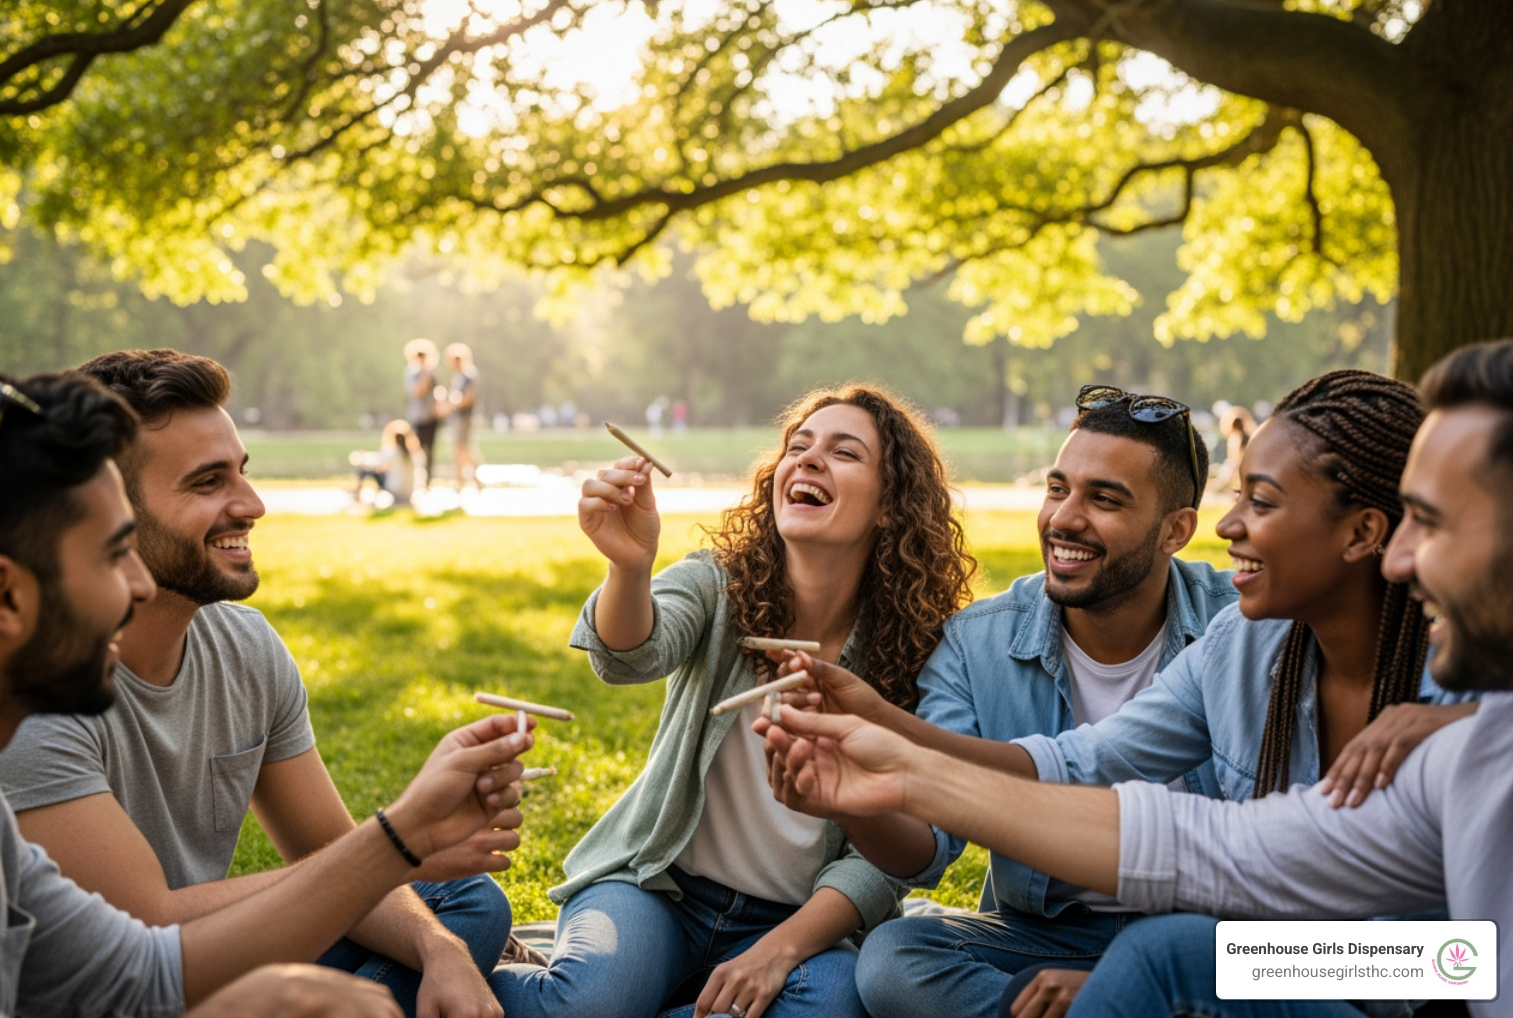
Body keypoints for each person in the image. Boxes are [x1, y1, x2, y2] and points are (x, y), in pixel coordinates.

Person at [762, 339, 1513, 1018]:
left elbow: (1442, 965)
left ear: (1361, 533)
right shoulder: (1246, 645)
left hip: (1356, 990)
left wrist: (1190, 975)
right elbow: (1095, 775)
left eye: (1264, 502)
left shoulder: (1465, 709)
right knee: (914, 957)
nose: (1231, 527)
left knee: (1172, 954)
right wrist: (897, 756)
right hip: (1220, 963)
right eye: (1058, 488)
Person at [0, 369, 533, 1017]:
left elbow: (136, 971)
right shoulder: (30, 729)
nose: (135, 586)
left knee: (465, 906)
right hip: (176, 956)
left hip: (184, 958)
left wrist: (404, 841)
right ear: (5, 596)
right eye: (112, 552)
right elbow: (148, 934)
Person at [489, 385, 977, 1018]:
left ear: (890, 504)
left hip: (800, 922)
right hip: (658, 890)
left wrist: (778, 950)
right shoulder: (718, 582)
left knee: (831, 1009)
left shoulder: (924, 654)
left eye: (844, 452)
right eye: (798, 447)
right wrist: (630, 569)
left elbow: (899, 860)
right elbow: (628, 655)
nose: (807, 459)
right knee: (588, 1003)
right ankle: (444, 968)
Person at [794, 388, 1238, 1017]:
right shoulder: (979, 643)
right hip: (1048, 936)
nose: (1064, 519)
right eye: (1057, 489)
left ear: (1176, 530)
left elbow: (1385, 956)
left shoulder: (1240, 633)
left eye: (1104, 498)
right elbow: (926, 849)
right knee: (896, 956)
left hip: (1206, 938)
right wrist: (852, 798)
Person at [444, 344, 482, 493]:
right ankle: (463, 480)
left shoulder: (468, 374)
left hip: (465, 418)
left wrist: (451, 405)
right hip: (459, 418)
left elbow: (468, 397)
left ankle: (470, 480)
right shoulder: (458, 376)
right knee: (461, 449)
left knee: (464, 449)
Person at [404, 339, 442, 489]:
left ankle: (428, 481)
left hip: (431, 417)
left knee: (430, 450)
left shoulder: (433, 372)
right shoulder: (412, 372)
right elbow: (417, 392)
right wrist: (425, 375)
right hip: (417, 416)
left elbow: (438, 391)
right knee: (416, 449)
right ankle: (414, 479)